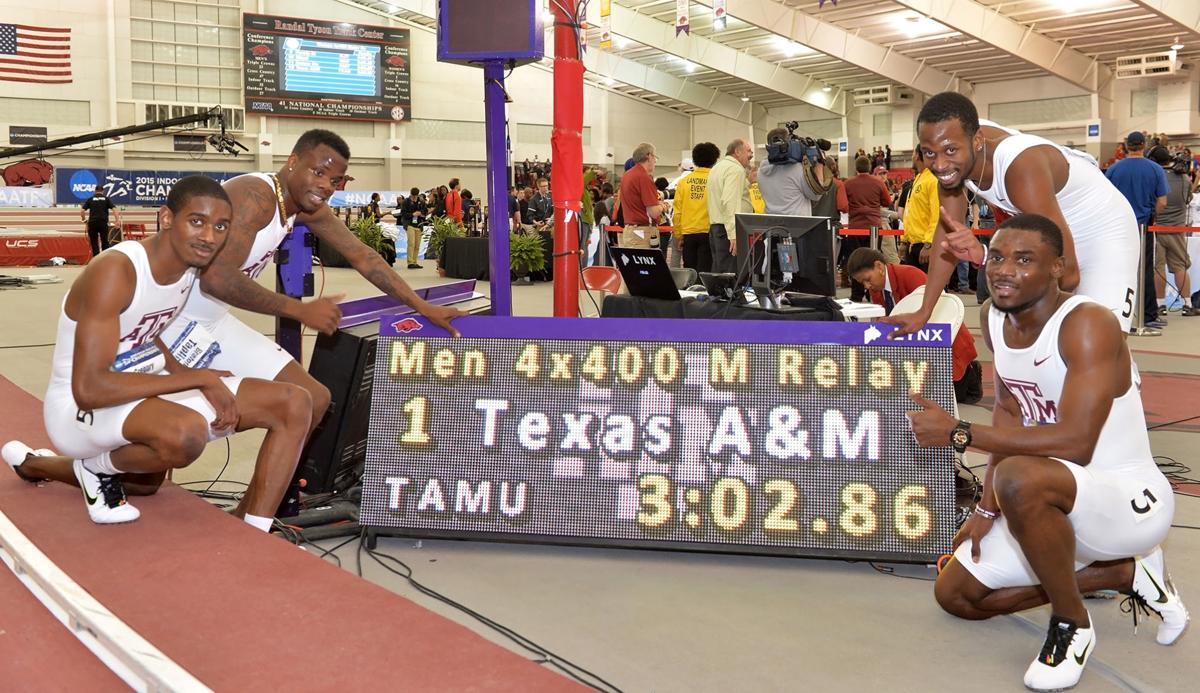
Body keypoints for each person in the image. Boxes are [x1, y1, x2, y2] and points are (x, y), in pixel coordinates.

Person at [909, 213, 1187, 692]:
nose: (1003, 270)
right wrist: (985, 508)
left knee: (1020, 476)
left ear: (1058, 267)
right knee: (957, 595)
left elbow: (1075, 443)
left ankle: (1071, 624)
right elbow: (1010, 411)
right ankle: (1123, 573)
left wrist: (958, 433)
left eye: (1023, 260)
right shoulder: (994, 318)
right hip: (1057, 494)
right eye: (996, 257)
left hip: (1127, 502)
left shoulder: (1087, 324)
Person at [3, 176, 312, 529]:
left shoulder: (189, 266)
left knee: (294, 402)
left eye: (221, 226)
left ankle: (256, 529)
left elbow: (150, 326)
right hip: (79, 408)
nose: (210, 236)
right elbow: (89, 389)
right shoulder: (115, 272)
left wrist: (182, 371)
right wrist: (196, 379)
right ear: (166, 218)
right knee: (185, 435)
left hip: (135, 389)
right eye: (197, 221)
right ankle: (93, 466)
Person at [160, 130, 465, 447]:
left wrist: (422, 306)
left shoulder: (306, 208)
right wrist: (299, 310)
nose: (325, 186)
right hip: (171, 320)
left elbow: (363, 256)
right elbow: (216, 278)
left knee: (313, 400)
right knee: (170, 448)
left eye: (334, 180)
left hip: (212, 320)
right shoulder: (255, 196)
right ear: (293, 162)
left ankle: (270, 497)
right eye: (318, 172)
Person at [887, 91, 1140, 337]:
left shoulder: (1020, 168)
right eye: (929, 153)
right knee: (1002, 324)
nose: (939, 164)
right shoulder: (955, 142)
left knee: (1101, 341)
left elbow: (1068, 273)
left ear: (977, 140)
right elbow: (946, 239)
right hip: (1056, 228)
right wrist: (925, 311)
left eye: (950, 150)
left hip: (1105, 232)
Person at [847, 247, 981, 404]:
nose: (866, 286)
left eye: (867, 279)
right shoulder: (877, 289)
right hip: (910, 344)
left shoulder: (911, 275)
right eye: (862, 282)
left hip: (941, 339)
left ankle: (971, 372)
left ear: (879, 267)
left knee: (948, 397)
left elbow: (937, 314)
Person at [1105, 132, 1168, 328]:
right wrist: (1152, 214)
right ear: (1144, 145)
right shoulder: (1155, 169)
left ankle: (1115, 311)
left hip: (1119, 225)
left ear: (1126, 146)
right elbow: (1162, 202)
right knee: (1145, 269)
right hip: (1143, 224)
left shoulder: (1113, 170)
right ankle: (1148, 315)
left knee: (1117, 268)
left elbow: (1106, 198)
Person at [1148, 146, 1197, 317]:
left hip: (1157, 228)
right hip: (1177, 229)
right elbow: (1188, 199)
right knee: (1180, 266)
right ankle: (1187, 304)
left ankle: (1160, 304)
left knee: (1158, 267)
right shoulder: (1184, 179)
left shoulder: (1155, 177)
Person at [843, 156, 893, 301]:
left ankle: (856, 295)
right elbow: (887, 201)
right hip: (874, 227)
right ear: (870, 167)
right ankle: (874, 294)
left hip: (855, 226)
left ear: (856, 168)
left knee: (855, 260)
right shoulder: (878, 183)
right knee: (873, 260)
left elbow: (843, 203)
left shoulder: (848, 183)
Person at [707, 139, 754, 273]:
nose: (751, 155)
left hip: (717, 228)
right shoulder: (735, 170)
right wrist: (733, 235)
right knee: (730, 275)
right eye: (749, 151)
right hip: (729, 230)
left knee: (719, 273)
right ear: (737, 152)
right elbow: (730, 202)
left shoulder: (717, 168)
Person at [674, 142, 720, 273]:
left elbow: (677, 211)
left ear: (694, 159)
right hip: (708, 233)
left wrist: (679, 235)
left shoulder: (683, 182)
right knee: (705, 273)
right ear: (715, 160)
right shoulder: (716, 180)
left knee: (690, 274)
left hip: (688, 234)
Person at [618, 143, 665, 250]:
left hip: (630, 231)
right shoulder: (643, 177)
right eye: (655, 158)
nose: (655, 162)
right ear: (649, 156)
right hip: (642, 233)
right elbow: (653, 212)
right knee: (645, 266)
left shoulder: (627, 175)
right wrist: (662, 206)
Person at [80, 185, 120, 259]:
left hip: (93, 223)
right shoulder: (106, 199)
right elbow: (114, 209)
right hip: (103, 222)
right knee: (105, 241)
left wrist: (84, 220)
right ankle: (105, 259)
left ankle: (96, 259)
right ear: (103, 191)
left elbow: (82, 211)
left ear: (95, 191)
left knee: (94, 242)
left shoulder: (90, 199)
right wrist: (117, 220)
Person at [400, 187, 427, 269]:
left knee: (417, 245)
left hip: (419, 225)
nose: (415, 198)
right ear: (411, 194)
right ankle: (410, 262)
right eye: (413, 196)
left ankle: (415, 262)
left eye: (416, 196)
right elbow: (403, 214)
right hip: (409, 224)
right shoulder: (406, 202)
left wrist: (421, 214)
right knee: (411, 243)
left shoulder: (421, 202)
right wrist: (413, 214)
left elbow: (425, 211)